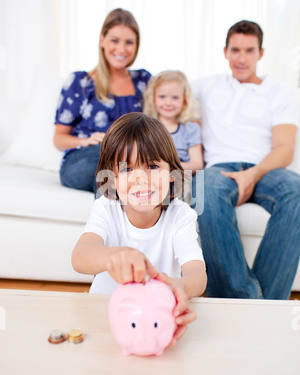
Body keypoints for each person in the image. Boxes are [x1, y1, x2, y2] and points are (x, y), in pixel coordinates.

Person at [72, 112, 207, 344]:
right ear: (112, 179)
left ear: (172, 174)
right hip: (105, 316)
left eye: (153, 166)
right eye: (127, 169)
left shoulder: (181, 215)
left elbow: (197, 274)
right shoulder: (107, 208)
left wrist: (181, 286)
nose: (141, 179)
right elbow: (79, 257)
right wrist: (114, 255)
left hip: (152, 321)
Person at [192, 20, 300, 300]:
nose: (241, 58)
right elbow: (162, 93)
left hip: (265, 168)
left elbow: (285, 149)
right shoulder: (204, 87)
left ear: (261, 53)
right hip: (219, 168)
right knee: (204, 188)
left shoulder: (279, 93)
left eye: (249, 51)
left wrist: (251, 174)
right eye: (235, 50)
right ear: (225, 51)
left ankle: (266, 304)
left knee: (296, 190)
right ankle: (242, 299)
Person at [54, 8, 151, 194]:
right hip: (85, 159)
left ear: (137, 45)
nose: (121, 49)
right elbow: (58, 138)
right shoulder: (80, 82)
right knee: (111, 151)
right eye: (115, 40)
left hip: (125, 166)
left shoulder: (144, 81)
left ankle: (111, 221)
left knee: (108, 179)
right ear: (102, 40)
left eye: (129, 42)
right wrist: (86, 141)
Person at [143, 70, 203, 174]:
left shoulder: (190, 129)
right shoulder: (145, 128)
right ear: (153, 99)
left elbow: (197, 164)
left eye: (175, 97)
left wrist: (168, 167)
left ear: (184, 101)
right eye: (162, 97)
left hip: (180, 180)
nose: (168, 103)